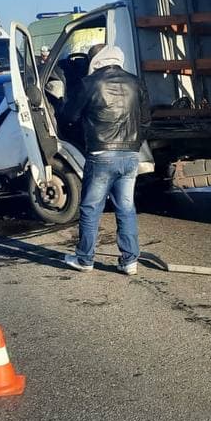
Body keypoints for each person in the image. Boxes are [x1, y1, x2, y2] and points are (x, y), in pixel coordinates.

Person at [61, 44, 149, 275]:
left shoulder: (89, 83)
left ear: (94, 60)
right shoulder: (136, 81)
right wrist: (135, 145)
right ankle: (130, 261)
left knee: (91, 207)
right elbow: (146, 120)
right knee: (127, 208)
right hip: (130, 154)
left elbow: (69, 115)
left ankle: (85, 259)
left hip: (101, 154)